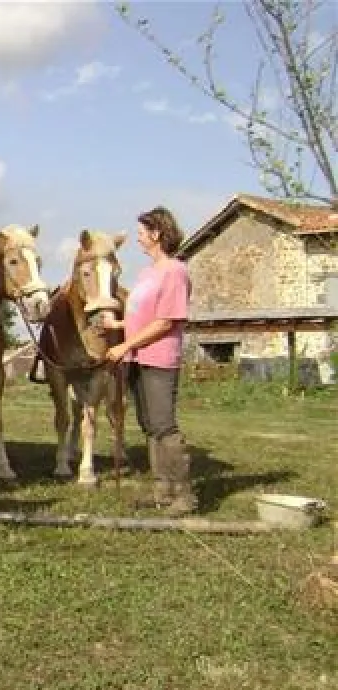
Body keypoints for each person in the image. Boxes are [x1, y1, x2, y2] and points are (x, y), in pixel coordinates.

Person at [103, 206, 197, 516]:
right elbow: (143, 317)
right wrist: (118, 327)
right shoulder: (147, 273)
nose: (139, 239)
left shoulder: (174, 271)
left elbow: (165, 322)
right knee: (149, 425)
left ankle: (185, 495)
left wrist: (124, 345)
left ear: (156, 234)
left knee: (164, 426)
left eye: (142, 233)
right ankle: (162, 491)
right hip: (137, 357)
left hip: (158, 359)